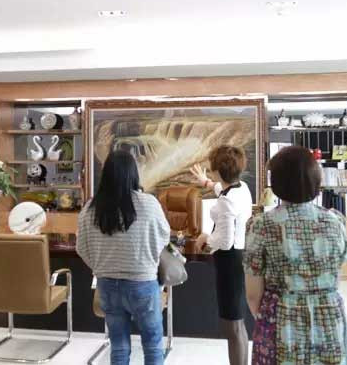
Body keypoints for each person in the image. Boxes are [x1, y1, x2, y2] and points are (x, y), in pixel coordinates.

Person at [244, 146, 347, 364]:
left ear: (276, 183)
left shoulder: (262, 225)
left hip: (280, 319)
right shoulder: (335, 221)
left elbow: (253, 294)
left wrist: (267, 317)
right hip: (330, 318)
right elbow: (336, 277)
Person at [76, 150, 170, 365]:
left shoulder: (90, 208)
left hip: (107, 285)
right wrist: (146, 260)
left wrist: (101, 267)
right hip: (143, 284)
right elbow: (163, 237)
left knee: (118, 346)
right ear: (133, 174)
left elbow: (82, 248)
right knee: (152, 345)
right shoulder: (148, 203)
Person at [190, 145, 253, 365]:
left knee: (232, 324)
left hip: (229, 262)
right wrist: (205, 183)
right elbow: (222, 190)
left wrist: (205, 238)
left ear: (217, 170)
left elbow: (224, 241)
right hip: (239, 258)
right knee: (237, 322)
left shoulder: (227, 202)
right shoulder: (241, 188)